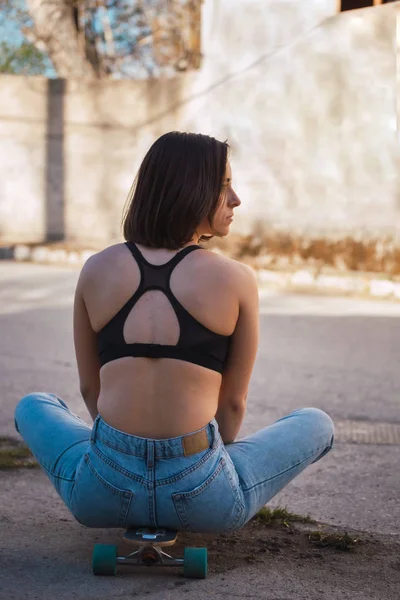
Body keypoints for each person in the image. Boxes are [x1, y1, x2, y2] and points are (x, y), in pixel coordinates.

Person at [14, 132, 334, 533]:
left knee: (34, 405)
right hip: (205, 498)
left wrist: (127, 451)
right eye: (224, 186)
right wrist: (197, 467)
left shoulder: (96, 269)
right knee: (316, 422)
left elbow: (90, 391)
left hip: (101, 492)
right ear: (191, 191)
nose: (236, 199)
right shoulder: (236, 279)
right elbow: (232, 405)